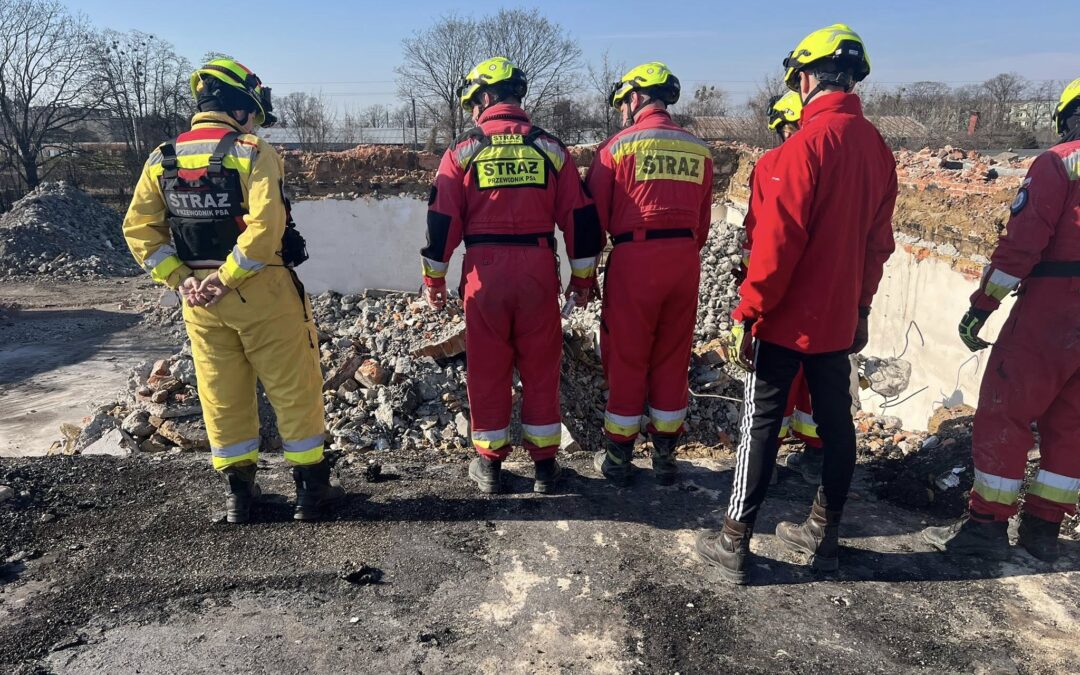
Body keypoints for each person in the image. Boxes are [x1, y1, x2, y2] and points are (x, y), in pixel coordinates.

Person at [695, 24, 898, 583]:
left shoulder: (798, 149)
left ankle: (734, 540)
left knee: (760, 423)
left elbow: (775, 248)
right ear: (853, 79)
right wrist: (861, 308)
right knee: (836, 422)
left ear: (806, 79)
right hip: (838, 319)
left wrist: (748, 313)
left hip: (785, 319)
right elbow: (878, 244)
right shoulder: (878, 150)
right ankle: (823, 534)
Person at [123, 58, 343, 523]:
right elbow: (265, 229)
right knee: (293, 386)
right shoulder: (251, 151)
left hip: (199, 303)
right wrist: (227, 277)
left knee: (221, 393)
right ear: (240, 107)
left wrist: (183, 280)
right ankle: (311, 491)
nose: (255, 123)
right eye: (254, 114)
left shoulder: (162, 157)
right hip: (261, 292)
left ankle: (238, 497)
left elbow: (140, 230)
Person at [420, 57, 602, 495]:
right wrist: (582, 280)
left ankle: (489, 465)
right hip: (537, 269)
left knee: (487, 368)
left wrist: (434, 279)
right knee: (541, 366)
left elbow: (441, 221)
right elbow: (579, 220)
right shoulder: (551, 149)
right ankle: (545, 467)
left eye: (473, 103)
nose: (473, 112)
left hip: (485, 273)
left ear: (486, 97)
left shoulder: (462, 151)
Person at [923, 77, 1080, 563]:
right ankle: (1043, 531)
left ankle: (987, 528)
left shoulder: (1059, 162)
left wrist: (982, 306)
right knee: (1073, 424)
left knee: (1004, 412)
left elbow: (1022, 245)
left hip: (1054, 307)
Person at [586, 62, 714, 487]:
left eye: (623, 102)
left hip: (635, 259)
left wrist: (587, 275)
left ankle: (618, 459)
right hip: (684, 260)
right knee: (672, 357)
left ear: (636, 97)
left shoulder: (616, 148)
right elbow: (703, 222)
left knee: (627, 356)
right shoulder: (699, 150)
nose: (622, 110)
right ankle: (665, 458)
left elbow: (593, 220)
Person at [750, 92, 827, 485]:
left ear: (785, 125)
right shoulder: (841, 159)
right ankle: (817, 455)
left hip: (783, 288)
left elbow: (761, 234)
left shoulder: (773, 164)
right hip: (830, 288)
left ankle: (766, 461)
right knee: (819, 374)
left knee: (776, 377)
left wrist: (751, 301)